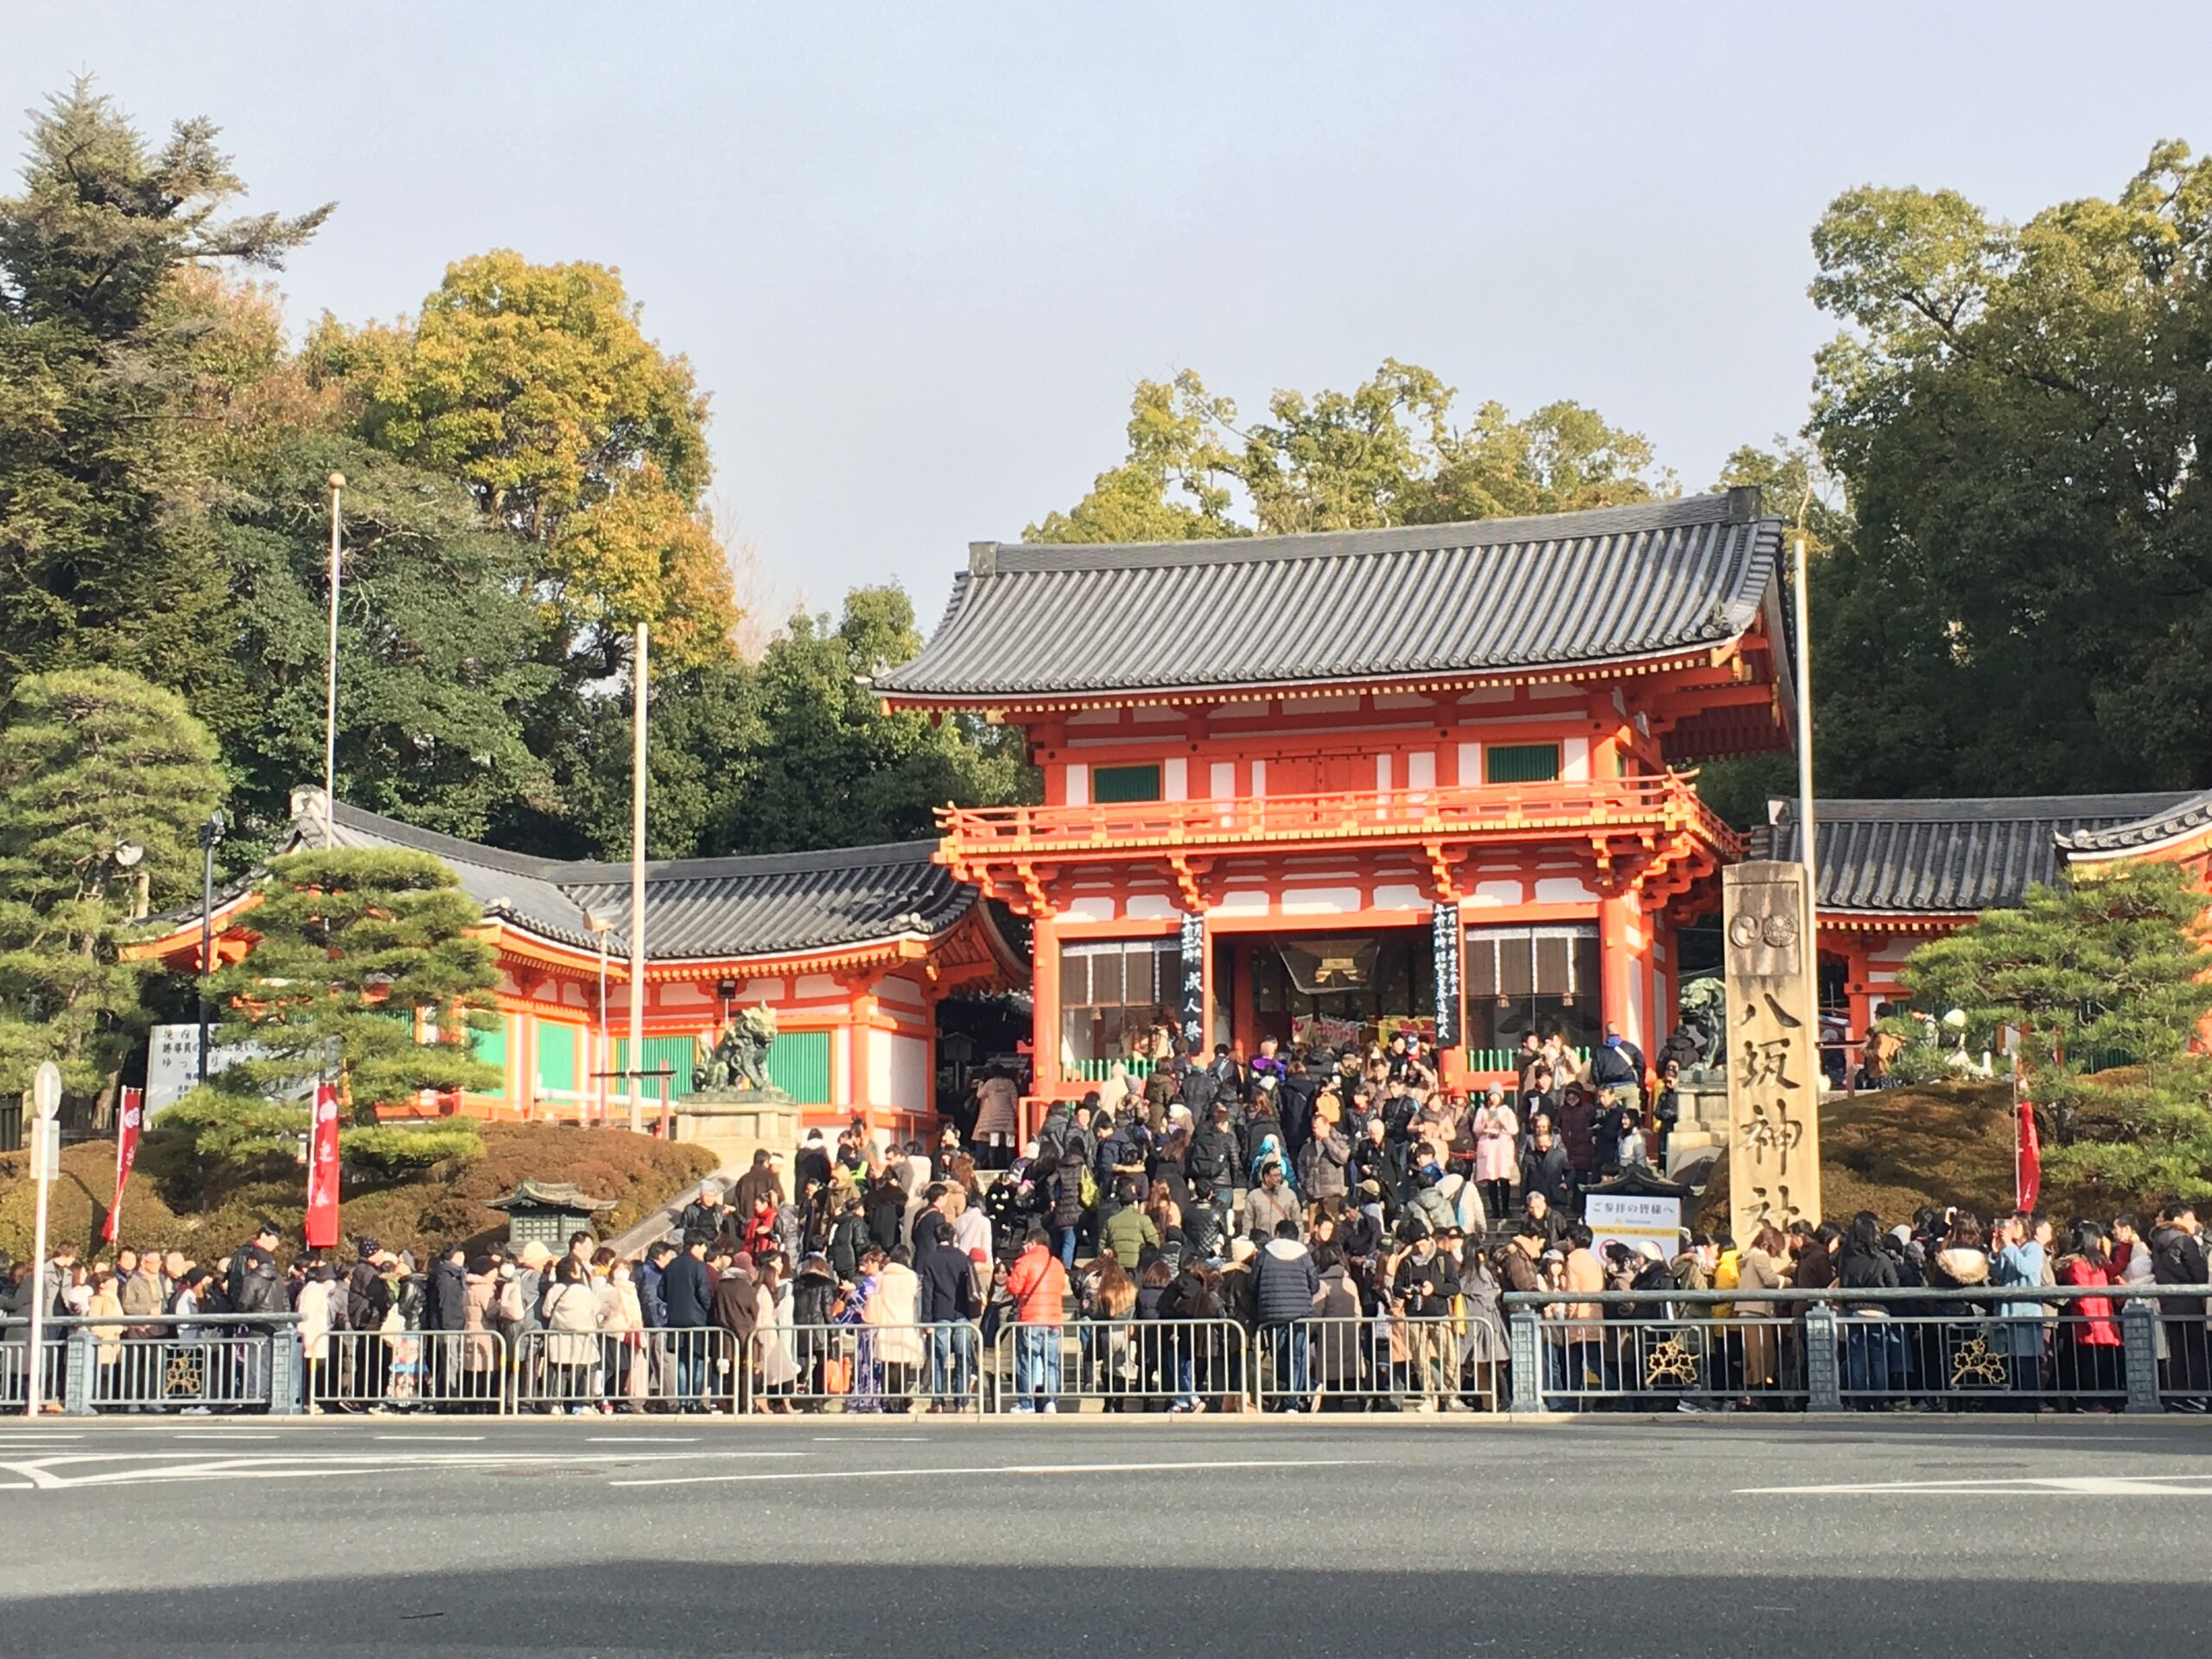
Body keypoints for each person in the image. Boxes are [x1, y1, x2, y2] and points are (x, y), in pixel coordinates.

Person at [1005, 1227, 1071, 1412]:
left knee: (1027, 1361)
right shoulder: (1057, 1264)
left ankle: (1027, 1403)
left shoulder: (1025, 1261)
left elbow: (1014, 1287)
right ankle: (1050, 1402)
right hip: (1053, 1318)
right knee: (1051, 1363)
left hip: (1031, 1318)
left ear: (1032, 1243)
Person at [662, 1236, 715, 1412]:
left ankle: (683, 1401)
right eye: (703, 1247)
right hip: (697, 1319)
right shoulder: (699, 1267)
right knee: (698, 1360)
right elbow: (703, 1293)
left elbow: (661, 1291)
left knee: (681, 1362)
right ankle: (695, 1401)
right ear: (696, 1245)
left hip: (675, 1319)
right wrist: (709, 1311)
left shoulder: (671, 1266)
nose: (705, 1251)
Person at [1245, 1160, 1301, 1240]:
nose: (1279, 1178)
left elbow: (1298, 1222)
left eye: (1280, 1175)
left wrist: (1299, 1243)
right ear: (1266, 1177)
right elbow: (1248, 1223)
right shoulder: (1253, 1196)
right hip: (1262, 1243)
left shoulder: (1290, 1195)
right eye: (1275, 1175)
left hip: (1284, 1243)